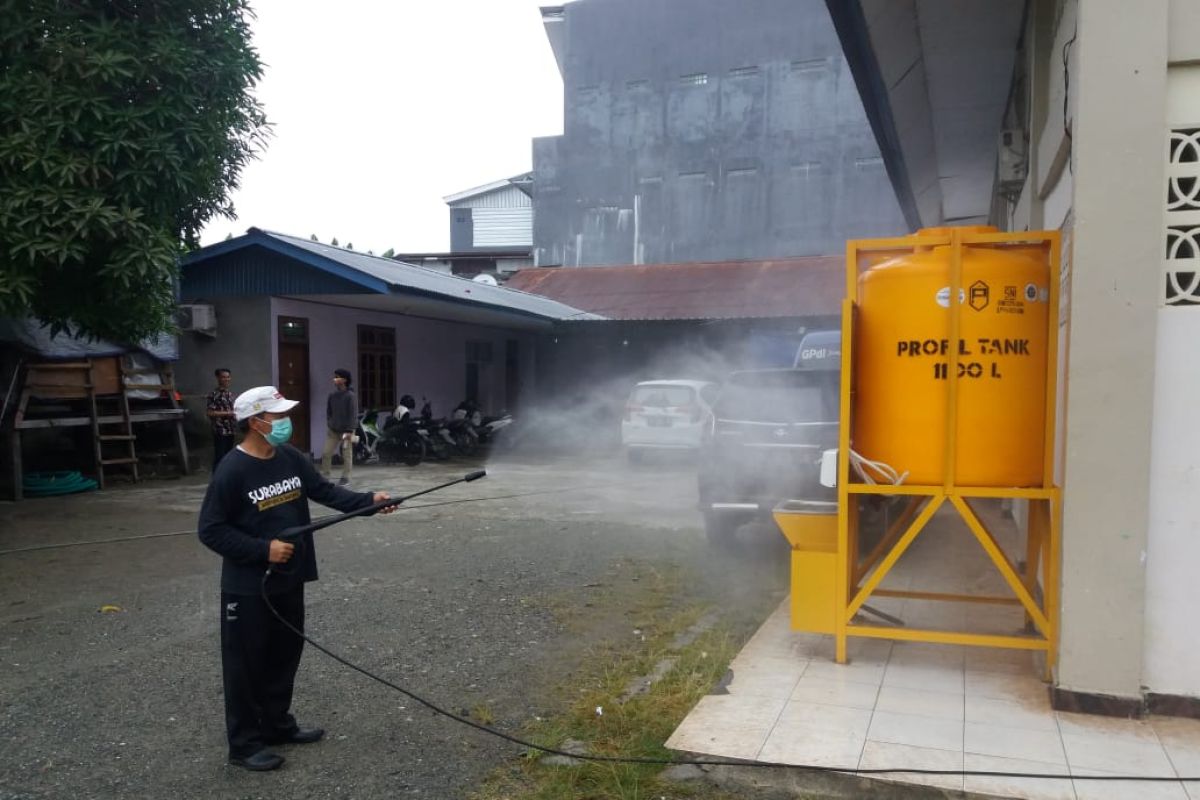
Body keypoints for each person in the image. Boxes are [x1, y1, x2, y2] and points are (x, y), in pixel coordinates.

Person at [197, 385, 394, 772]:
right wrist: (261, 549)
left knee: (284, 656)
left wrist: (370, 502)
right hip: (249, 587)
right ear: (255, 423)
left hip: (290, 577)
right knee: (246, 664)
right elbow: (211, 530)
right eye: (278, 416)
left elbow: (325, 491)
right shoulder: (232, 470)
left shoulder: (289, 457)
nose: (285, 421)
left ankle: (276, 725)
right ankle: (244, 744)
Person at [321, 368, 357, 485]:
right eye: (335, 377)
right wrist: (330, 422)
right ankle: (325, 476)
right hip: (333, 430)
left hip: (346, 431)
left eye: (337, 377)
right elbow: (328, 411)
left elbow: (353, 414)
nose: (335, 379)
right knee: (326, 453)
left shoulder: (350, 396)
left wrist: (349, 430)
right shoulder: (332, 395)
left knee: (346, 454)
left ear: (345, 380)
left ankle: (346, 476)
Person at [205, 368, 236, 471]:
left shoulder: (229, 394)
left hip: (230, 430)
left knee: (228, 457)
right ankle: (216, 481)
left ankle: (226, 480)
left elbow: (233, 410)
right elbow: (209, 412)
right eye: (223, 377)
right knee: (220, 457)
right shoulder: (214, 395)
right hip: (220, 431)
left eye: (228, 377)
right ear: (218, 378)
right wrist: (228, 413)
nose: (226, 379)